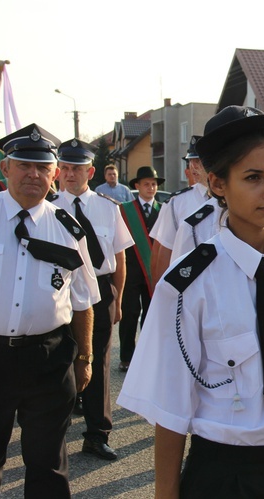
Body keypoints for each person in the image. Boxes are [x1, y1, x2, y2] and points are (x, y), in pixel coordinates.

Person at [118, 106, 264, 499]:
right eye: (253, 178)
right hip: (228, 476)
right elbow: (172, 411)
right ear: (218, 184)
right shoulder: (189, 284)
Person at [0, 124, 99, 498]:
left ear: (54, 173)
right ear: (5, 169)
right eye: (23, 165)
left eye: (42, 167)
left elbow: (83, 300)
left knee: (48, 465)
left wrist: (85, 357)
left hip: (47, 359)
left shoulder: (69, 229)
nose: (33, 174)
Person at [51, 139, 134, 461]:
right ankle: (53, 427)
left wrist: (119, 299)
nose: (70, 175)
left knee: (97, 360)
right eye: (66, 168)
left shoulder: (107, 207)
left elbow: (119, 257)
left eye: (77, 169)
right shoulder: (48, 207)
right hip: (58, 287)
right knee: (58, 358)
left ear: (91, 171)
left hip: (100, 290)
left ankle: (97, 433)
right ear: (59, 171)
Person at [118, 166, 163, 371]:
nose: (151, 187)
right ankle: (127, 357)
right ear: (137, 186)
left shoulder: (163, 210)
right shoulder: (124, 209)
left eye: (154, 184)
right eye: (146, 184)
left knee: (151, 315)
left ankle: (147, 356)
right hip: (131, 271)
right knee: (129, 313)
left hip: (154, 271)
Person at [149, 135, 209, 286]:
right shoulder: (176, 203)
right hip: (187, 286)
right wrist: (162, 298)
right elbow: (162, 252)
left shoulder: (232, 198)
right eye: (190, 161)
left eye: (198, 161)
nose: (193, 166)